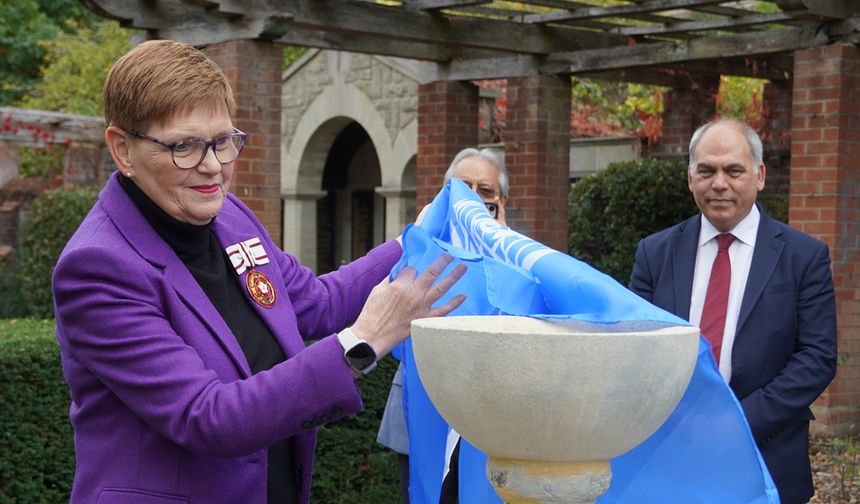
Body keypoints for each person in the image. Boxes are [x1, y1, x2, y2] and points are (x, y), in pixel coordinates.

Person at [52, 40, 467, 504]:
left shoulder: (229, 217)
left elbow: (317, 301)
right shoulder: (97, 269)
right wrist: (362, 342)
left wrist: (414, 240)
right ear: (122, 149)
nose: (213, 166)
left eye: (223, 141)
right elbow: (206, 417)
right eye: (184, 146)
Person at [629, 118, 837, 504]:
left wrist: (734, 423)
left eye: (733, 170)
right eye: (706, 170)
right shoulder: (655, 254)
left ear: (759, 176)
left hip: (766, 455)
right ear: (691, 177)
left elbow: (817, 358)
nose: (719, 183)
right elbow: (632, 346)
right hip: (667, 457)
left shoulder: (803, 257)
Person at [376, 147, 508, 503]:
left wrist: (499, 241)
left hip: (488, 415)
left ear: (500, 201)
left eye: (485, 190)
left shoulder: (513, 253)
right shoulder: (420, 243)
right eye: (463, 186)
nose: (472, 197)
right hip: (424, 406)